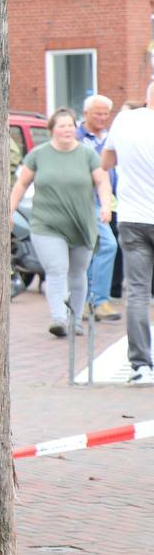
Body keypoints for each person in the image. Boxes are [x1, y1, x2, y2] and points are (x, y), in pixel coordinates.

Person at [10, 108, 112, 338]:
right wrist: (9, 210)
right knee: (56, 269)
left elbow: (102, 181)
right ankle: (59, 318)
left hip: (81, 223)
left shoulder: (87, 155)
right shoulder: (39, 155)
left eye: (70, 125)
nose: (67, 130)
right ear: (52, 130)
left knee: (78, 272)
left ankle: (75, 319)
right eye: (61, 125)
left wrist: (105, 205)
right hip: (47, 224)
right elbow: (21, 184)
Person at [102, 83, 154, 385]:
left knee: (137, 292)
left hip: (132, 218)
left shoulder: (124, 120)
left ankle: (140, 365)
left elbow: (106, 162)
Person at [77, 95, 120, 321]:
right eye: (98, 113)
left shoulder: (110, 137)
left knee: (97, 248)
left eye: (106, 114)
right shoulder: (77, 137)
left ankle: (89, 300)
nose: (103, 118)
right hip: (86, 200)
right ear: (86, 114)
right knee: (107, 245)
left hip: (109, 201)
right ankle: (98, 299)